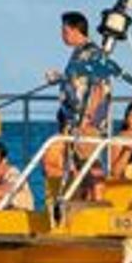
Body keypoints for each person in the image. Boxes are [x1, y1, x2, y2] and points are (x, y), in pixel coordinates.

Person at [43, 10, 121, 193]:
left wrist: (88, 117)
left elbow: (99, 88)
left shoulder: (92, 53)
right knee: (75, 165)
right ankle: (81, 200)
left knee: (91, 164)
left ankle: (99, 200)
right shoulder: (78, 53)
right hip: (72, 120)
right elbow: (80, 82)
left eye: (65, 30)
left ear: (75, 30)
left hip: (86, 121)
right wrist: (61, 78)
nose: (62, 35)